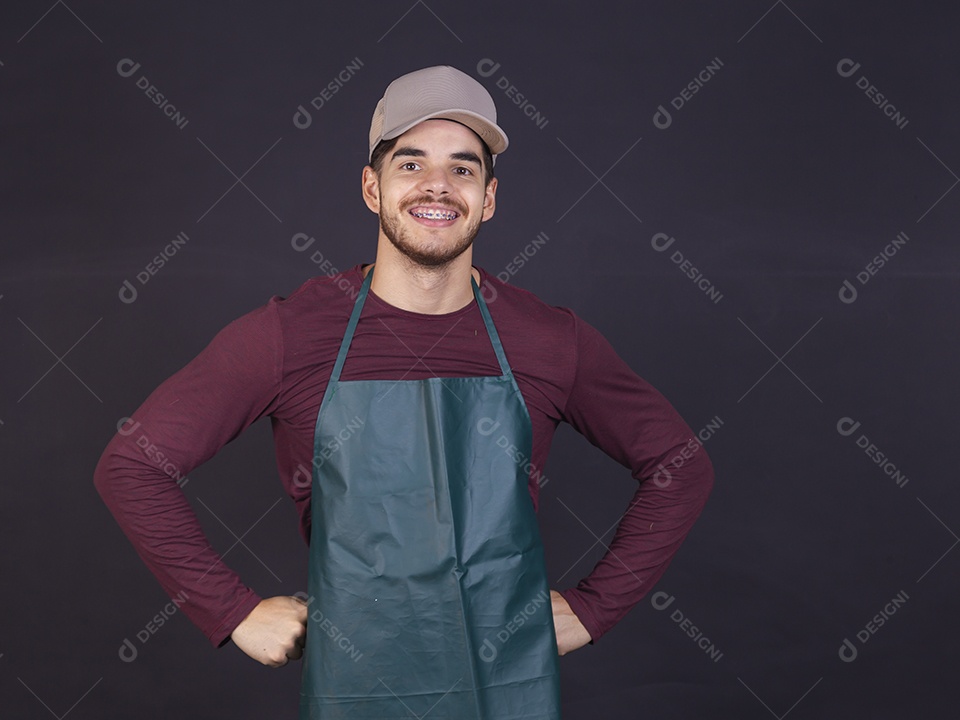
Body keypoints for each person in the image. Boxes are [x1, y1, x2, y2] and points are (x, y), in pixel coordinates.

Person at [95, 65, 713, 719]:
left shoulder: (550, 341)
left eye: (464, 168)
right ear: (372, 186)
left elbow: (681, 466)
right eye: (411, 164)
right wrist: (233, 611)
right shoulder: (288, 336)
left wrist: (594, 608)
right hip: (354, 687)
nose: (437, 187)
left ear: (490, 197)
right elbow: (133, 466)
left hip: (505, 689)